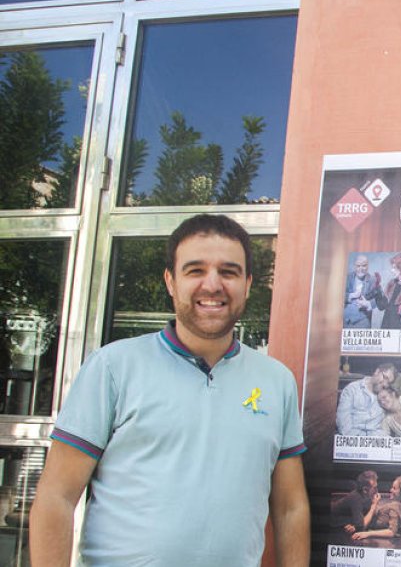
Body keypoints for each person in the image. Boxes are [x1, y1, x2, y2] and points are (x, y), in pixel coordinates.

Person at [30, 214, 310, 566]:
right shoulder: (113, 367)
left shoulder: (276, 381)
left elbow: (290, 508)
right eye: (195, 270)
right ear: (171, 281)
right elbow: (57, 496)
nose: (213, 285)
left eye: (228, 271)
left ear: (248, 283)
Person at [350, 475, 401, 549]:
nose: (390, 490)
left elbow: (392, 532)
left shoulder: (395, 506)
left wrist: (367, 534)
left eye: (394, 488)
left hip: (367, 534)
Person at [337, 362, 397, 436]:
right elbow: (344, 427)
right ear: (377, 371)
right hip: (351, 441)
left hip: (375, 444)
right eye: (385, 378)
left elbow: (387, 427)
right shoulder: (351, 390)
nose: (385, 384)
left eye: (388, 382)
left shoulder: (385, 398)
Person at [376, 252, 401, 329]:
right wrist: (377, 290)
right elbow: (382, 306)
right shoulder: (391, 283)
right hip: (386, 324)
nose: (392, 270)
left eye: (394, 268)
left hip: (400, 326)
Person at [333, 470, 380, 535]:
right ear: (365, 490)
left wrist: (356, 525)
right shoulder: (355, 497)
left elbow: (365, 519)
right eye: (374, 488)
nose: (377, 490)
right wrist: (374, 506)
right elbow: (361, 527)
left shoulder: (367, 496)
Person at [344, 254, 380, 328]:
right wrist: (351, 296)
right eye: (358, 266)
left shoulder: (373, 280)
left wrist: (369, 303)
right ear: (354, 266)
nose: (361, 268)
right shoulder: (347, 277)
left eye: (364, 265)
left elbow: (380, 298)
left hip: (363, 322)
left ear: (368, 266)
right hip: (345, 321)